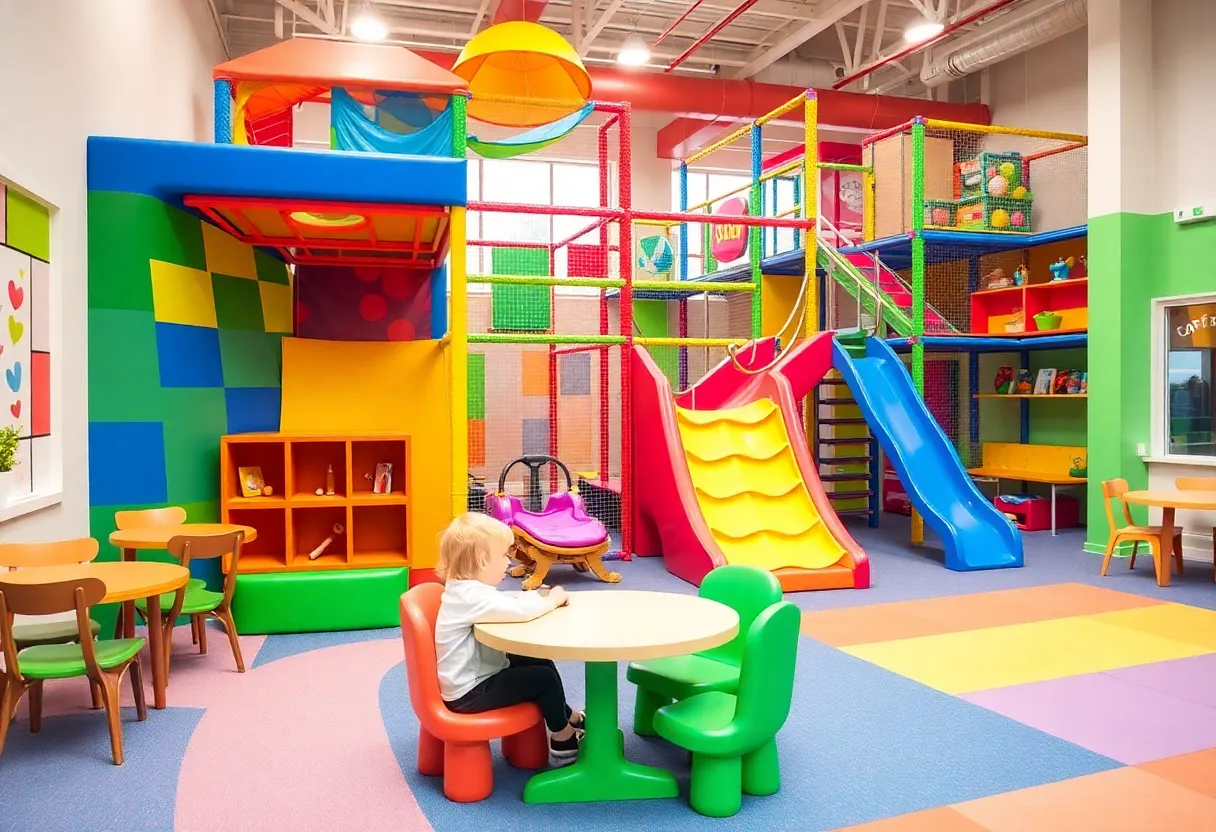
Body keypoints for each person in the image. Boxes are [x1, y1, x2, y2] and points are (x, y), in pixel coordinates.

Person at [434, 512, 584, 758]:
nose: (509, 562)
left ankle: (568, 715)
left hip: (477, 674)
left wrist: (538, 597)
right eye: (504, 555)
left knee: (537, 660)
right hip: (470, 692)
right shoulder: (472, 597)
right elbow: (521, 612)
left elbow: (506, 603)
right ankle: (562, 737)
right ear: (483, 560)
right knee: (542, 679)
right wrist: (554, 599)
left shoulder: (466, 590)